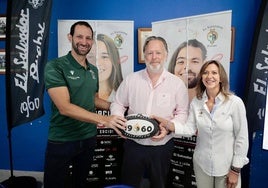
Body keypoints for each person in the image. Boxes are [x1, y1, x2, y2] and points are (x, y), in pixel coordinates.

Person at [43, 21, 126, 188]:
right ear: (70, 37)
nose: (84, 41)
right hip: (62, 140)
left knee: (80, 183)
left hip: (88, 138)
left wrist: (117, 106)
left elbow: (93, 99)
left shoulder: (93, 70)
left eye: (88, 38)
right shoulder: (55, 66)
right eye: (79, 36)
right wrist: (105, 120)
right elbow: (64, 107)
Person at [154, 60, 249, 188]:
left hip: (227, 168)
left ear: (221, 77)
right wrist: (168, 124)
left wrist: (235, 169)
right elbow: (189, 129)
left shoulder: (234, 103)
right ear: (202, 77)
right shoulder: (196, 102)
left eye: (214, 73)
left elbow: (242, 138)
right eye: (205, 73)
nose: (209, 76)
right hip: (202, 165)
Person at [110, 36, 189, 188]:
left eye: (158, 53)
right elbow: (118, 103)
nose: (154, 57)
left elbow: (182, 113)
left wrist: (169, 128)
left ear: (166, 55)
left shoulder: (177, 84)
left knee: (158, 184)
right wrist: (119, 122)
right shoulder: (131, 80)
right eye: (150, 53)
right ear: (144, 55)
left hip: (162, 146)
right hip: (134, 145)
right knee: (129, 184)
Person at [87, 33, 123, 102]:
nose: (98, 63)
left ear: (114, 60)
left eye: (104, 57)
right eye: (91, 57)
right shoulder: (75, 93)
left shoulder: (125, 94)